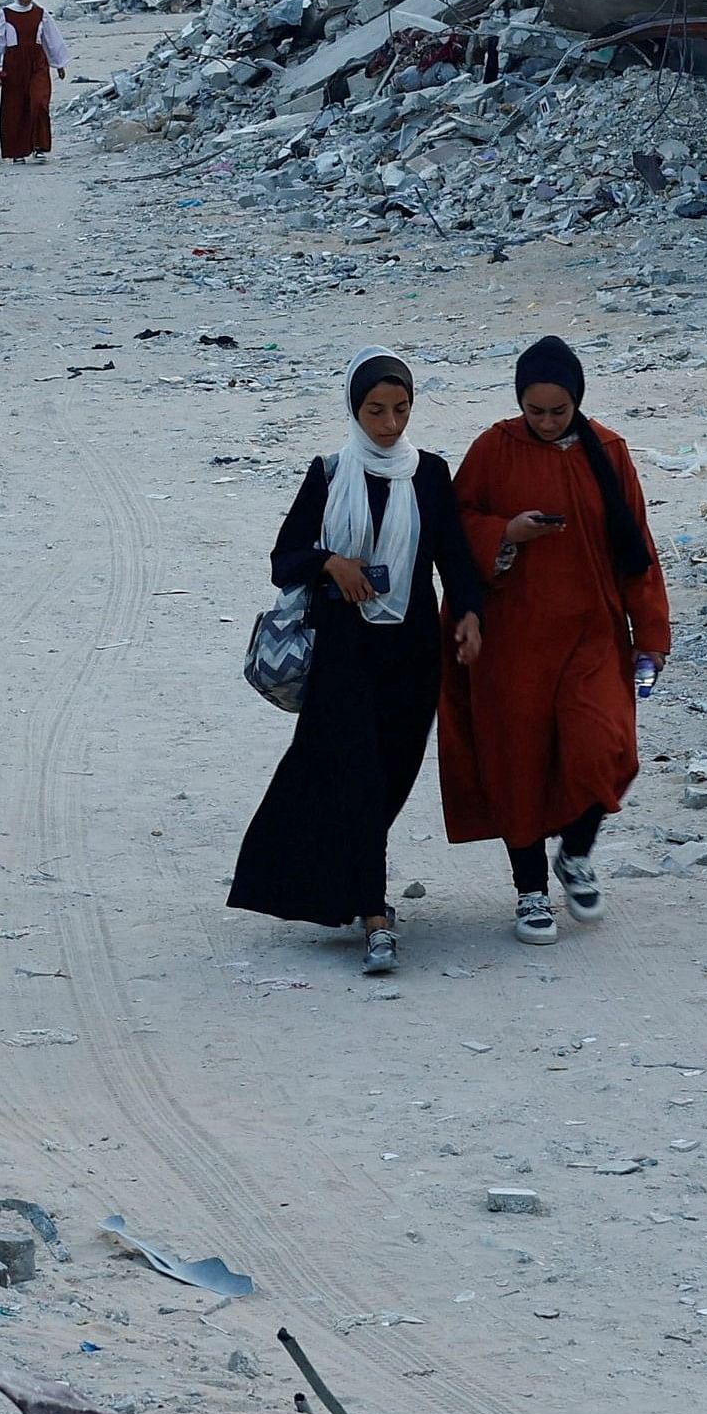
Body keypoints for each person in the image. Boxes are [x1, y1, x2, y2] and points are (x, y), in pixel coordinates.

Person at [231, 353, 486, 975]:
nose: (389, 424)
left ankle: (349, 884)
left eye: (400, 410)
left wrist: (471, 616)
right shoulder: (329, 473)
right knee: (356, 774)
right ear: (353, 408)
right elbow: (283, 559)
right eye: (376, 410)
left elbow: (453, 558)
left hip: (412, 652)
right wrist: (330, 563)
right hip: (343, 653)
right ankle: (375, 913)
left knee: (391, 776)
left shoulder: (429, 475)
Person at [438, 336, 672, 946]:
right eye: (534, 411)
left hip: (592, 632)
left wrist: (650, 633)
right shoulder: (494, 448)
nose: (545, 422)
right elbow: (453, 525)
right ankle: (530, 892)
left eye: (557, 412)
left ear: (577, 402)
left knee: (605, 745)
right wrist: (505, 533)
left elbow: (637, 548)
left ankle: (575, 852)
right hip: (512, 638)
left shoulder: (610, 452)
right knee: (518, 761)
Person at [0, 0, 69, 164]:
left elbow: (51, 38)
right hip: (14, 65)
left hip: (38, 63)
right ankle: (18, 150)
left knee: (39, 102)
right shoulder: (5, 14)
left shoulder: (40, 13)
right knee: (16, 106)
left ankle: (39, 146)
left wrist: (59, 62)